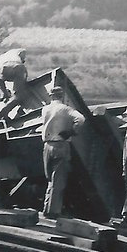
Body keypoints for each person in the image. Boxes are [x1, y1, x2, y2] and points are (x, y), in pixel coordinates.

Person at [39, 85, 86, 219]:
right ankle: (53, 212)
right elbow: (81, 119)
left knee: (50, 179)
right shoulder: (66, 109)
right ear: (62, 96)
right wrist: (72, 131)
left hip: (47, 146)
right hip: (61, 145)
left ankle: (46, 208)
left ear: (51, 96)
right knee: (58, 180)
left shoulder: (45, 109)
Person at [0, 49, 31, 120]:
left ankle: (5, 110)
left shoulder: (1, 59)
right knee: (19, 96)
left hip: (1, 70)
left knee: (7, 96)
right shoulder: (17, 51)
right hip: (17, 67)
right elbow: (22, 53)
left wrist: (4, 93)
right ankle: (3, 112)